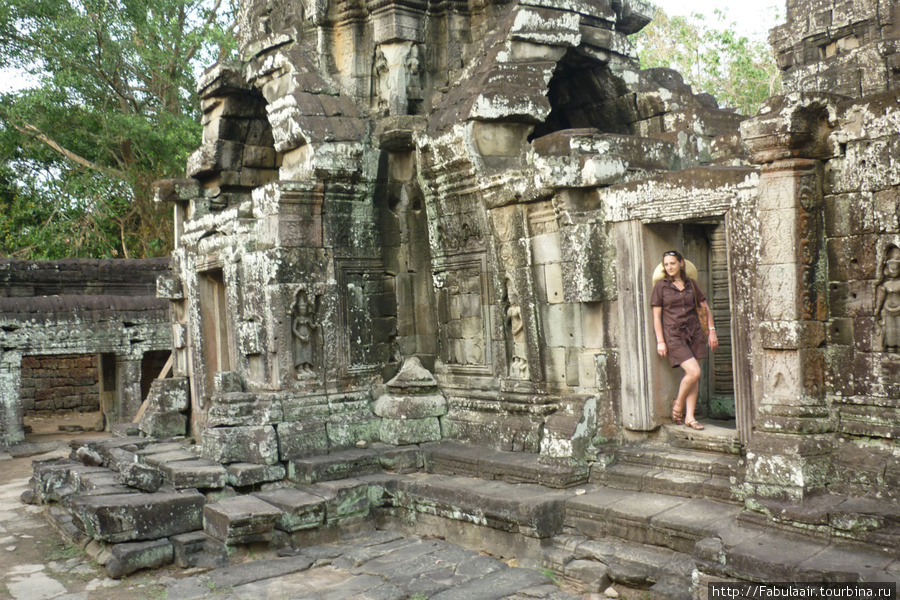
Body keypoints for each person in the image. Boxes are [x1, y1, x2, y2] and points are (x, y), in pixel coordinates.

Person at [651, 250, 718, 430]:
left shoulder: (691, 284)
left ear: (681, 263)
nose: (669, 267)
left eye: (672, 263)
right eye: (666, 264)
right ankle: (678, 404)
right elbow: (656, 317)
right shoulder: (661, 287)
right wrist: (660, 341)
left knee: (693, 377)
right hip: (674, 336)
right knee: (694, 372)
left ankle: (690, 417)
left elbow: (705, 308)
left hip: (695, 333)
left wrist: (712, 331)